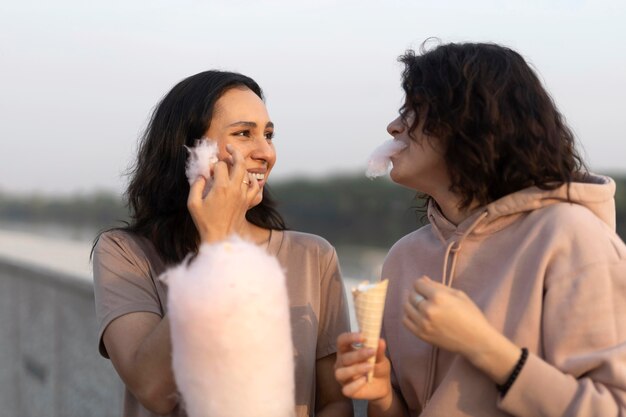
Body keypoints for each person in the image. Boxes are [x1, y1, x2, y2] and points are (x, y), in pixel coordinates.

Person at [334, 41, 626, 416]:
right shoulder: (404, 256)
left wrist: (484, 346)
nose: (393, 126)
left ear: (470, 120)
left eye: (413, 110)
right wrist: (381, 397)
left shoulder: (571, 236)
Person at [92, 70, 352, 417]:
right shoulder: (125, 253)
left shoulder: (313, 256)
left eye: (269, 134)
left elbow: (336, 402)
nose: (266, 152)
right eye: (244, 133)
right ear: (190, 150)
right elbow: (154, 391)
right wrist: (216, 247)